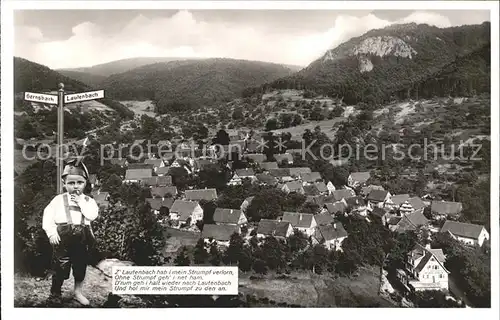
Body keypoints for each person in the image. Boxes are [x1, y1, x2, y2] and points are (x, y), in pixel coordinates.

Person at [42, 159, 99, 305]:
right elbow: (47, 216)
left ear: (85, 183)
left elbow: (92, 215)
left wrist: (80, 202)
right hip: (62, 238)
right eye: (71, 183)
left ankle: (78, 292)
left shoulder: (88, 200)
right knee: (60, 266)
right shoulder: (58, 200)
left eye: (79, 183)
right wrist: (51, 233)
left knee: (80, 267)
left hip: (82, 238)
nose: (75, 187)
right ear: (64, 184)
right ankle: (55, 293)